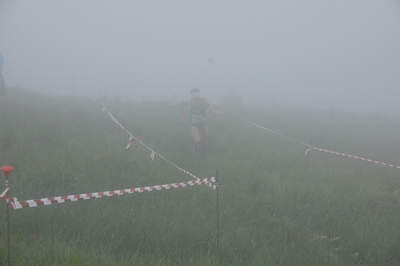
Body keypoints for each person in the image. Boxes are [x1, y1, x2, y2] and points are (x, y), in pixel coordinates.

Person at [180, 88, 215, 157]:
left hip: (203, 124)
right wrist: (182, 117)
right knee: (197, 140)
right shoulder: (189, 101)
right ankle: (196, 147)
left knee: (204, 142)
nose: (195, 100)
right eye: (193, 98)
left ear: (199, 97)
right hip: (194, 124)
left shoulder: (204, 101)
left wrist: (206, 118)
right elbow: (181, 104)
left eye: (197, 98)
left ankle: (204, 154)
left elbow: (213, 112)